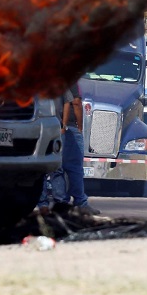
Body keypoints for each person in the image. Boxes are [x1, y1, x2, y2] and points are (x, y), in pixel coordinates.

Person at [38, 84, 100, 217]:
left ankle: (46, 203)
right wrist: (79, 127)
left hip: (42, 124)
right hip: (66, 126)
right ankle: (75, 203)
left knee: (45, 166)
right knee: (73, 167)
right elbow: (75, 102)